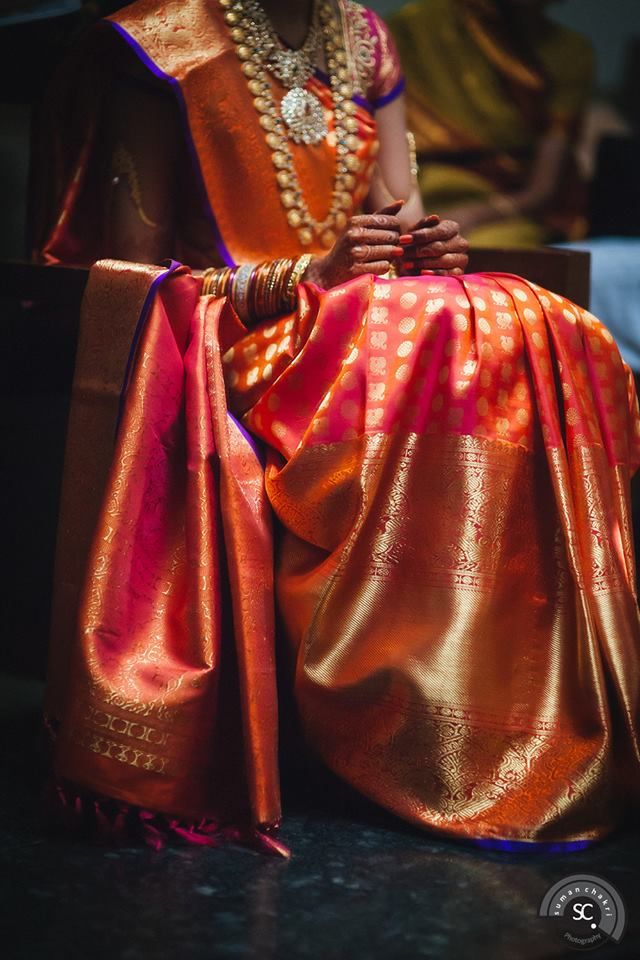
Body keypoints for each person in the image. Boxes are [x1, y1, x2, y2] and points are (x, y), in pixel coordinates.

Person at [37, 0, 640, 853]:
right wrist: (298, 276)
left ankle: (505, 716)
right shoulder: (160, 45)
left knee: (535, 322)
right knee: (435, 335)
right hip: (234, 331)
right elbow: (133, 276)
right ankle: (387, 715)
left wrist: (424, 245)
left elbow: (399, 212)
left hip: (362, 320)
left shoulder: (364, 37)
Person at [388, 0, 594, 246]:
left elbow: (544, 188)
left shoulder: (570, 52)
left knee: (474, 251)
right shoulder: (416, 28)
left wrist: (474, 214)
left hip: (507, 205)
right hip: (416, 193)